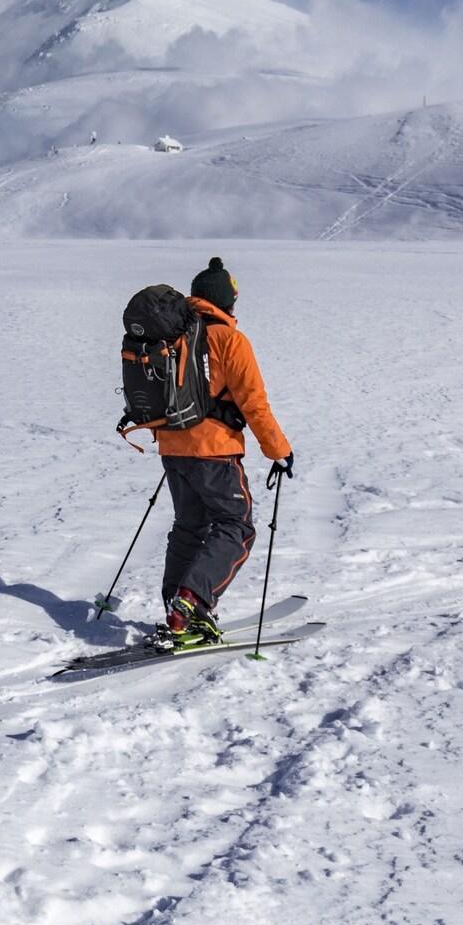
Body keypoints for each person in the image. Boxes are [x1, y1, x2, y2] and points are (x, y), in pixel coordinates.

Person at [154, 256, 293, 646]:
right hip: (213, 450)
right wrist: (277, 450)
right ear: (226, 302)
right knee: (236, 526)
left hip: (172, 446)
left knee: (189, 527)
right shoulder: (229, 339)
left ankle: (177, 609)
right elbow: (254, 402)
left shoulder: (171, 335)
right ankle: (191, 603)